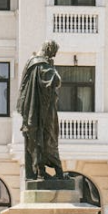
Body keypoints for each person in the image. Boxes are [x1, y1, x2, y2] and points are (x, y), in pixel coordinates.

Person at [17, 40, 65, 181]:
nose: (53, 57)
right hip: (43, 111)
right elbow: (55, 80)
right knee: (48, 137)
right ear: (49, 50)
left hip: (33, 111)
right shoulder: (42, 65)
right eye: (53, 54)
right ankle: (55, 172)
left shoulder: (31, 64)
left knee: (39, 139)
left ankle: (40, 171)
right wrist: (52, 68)